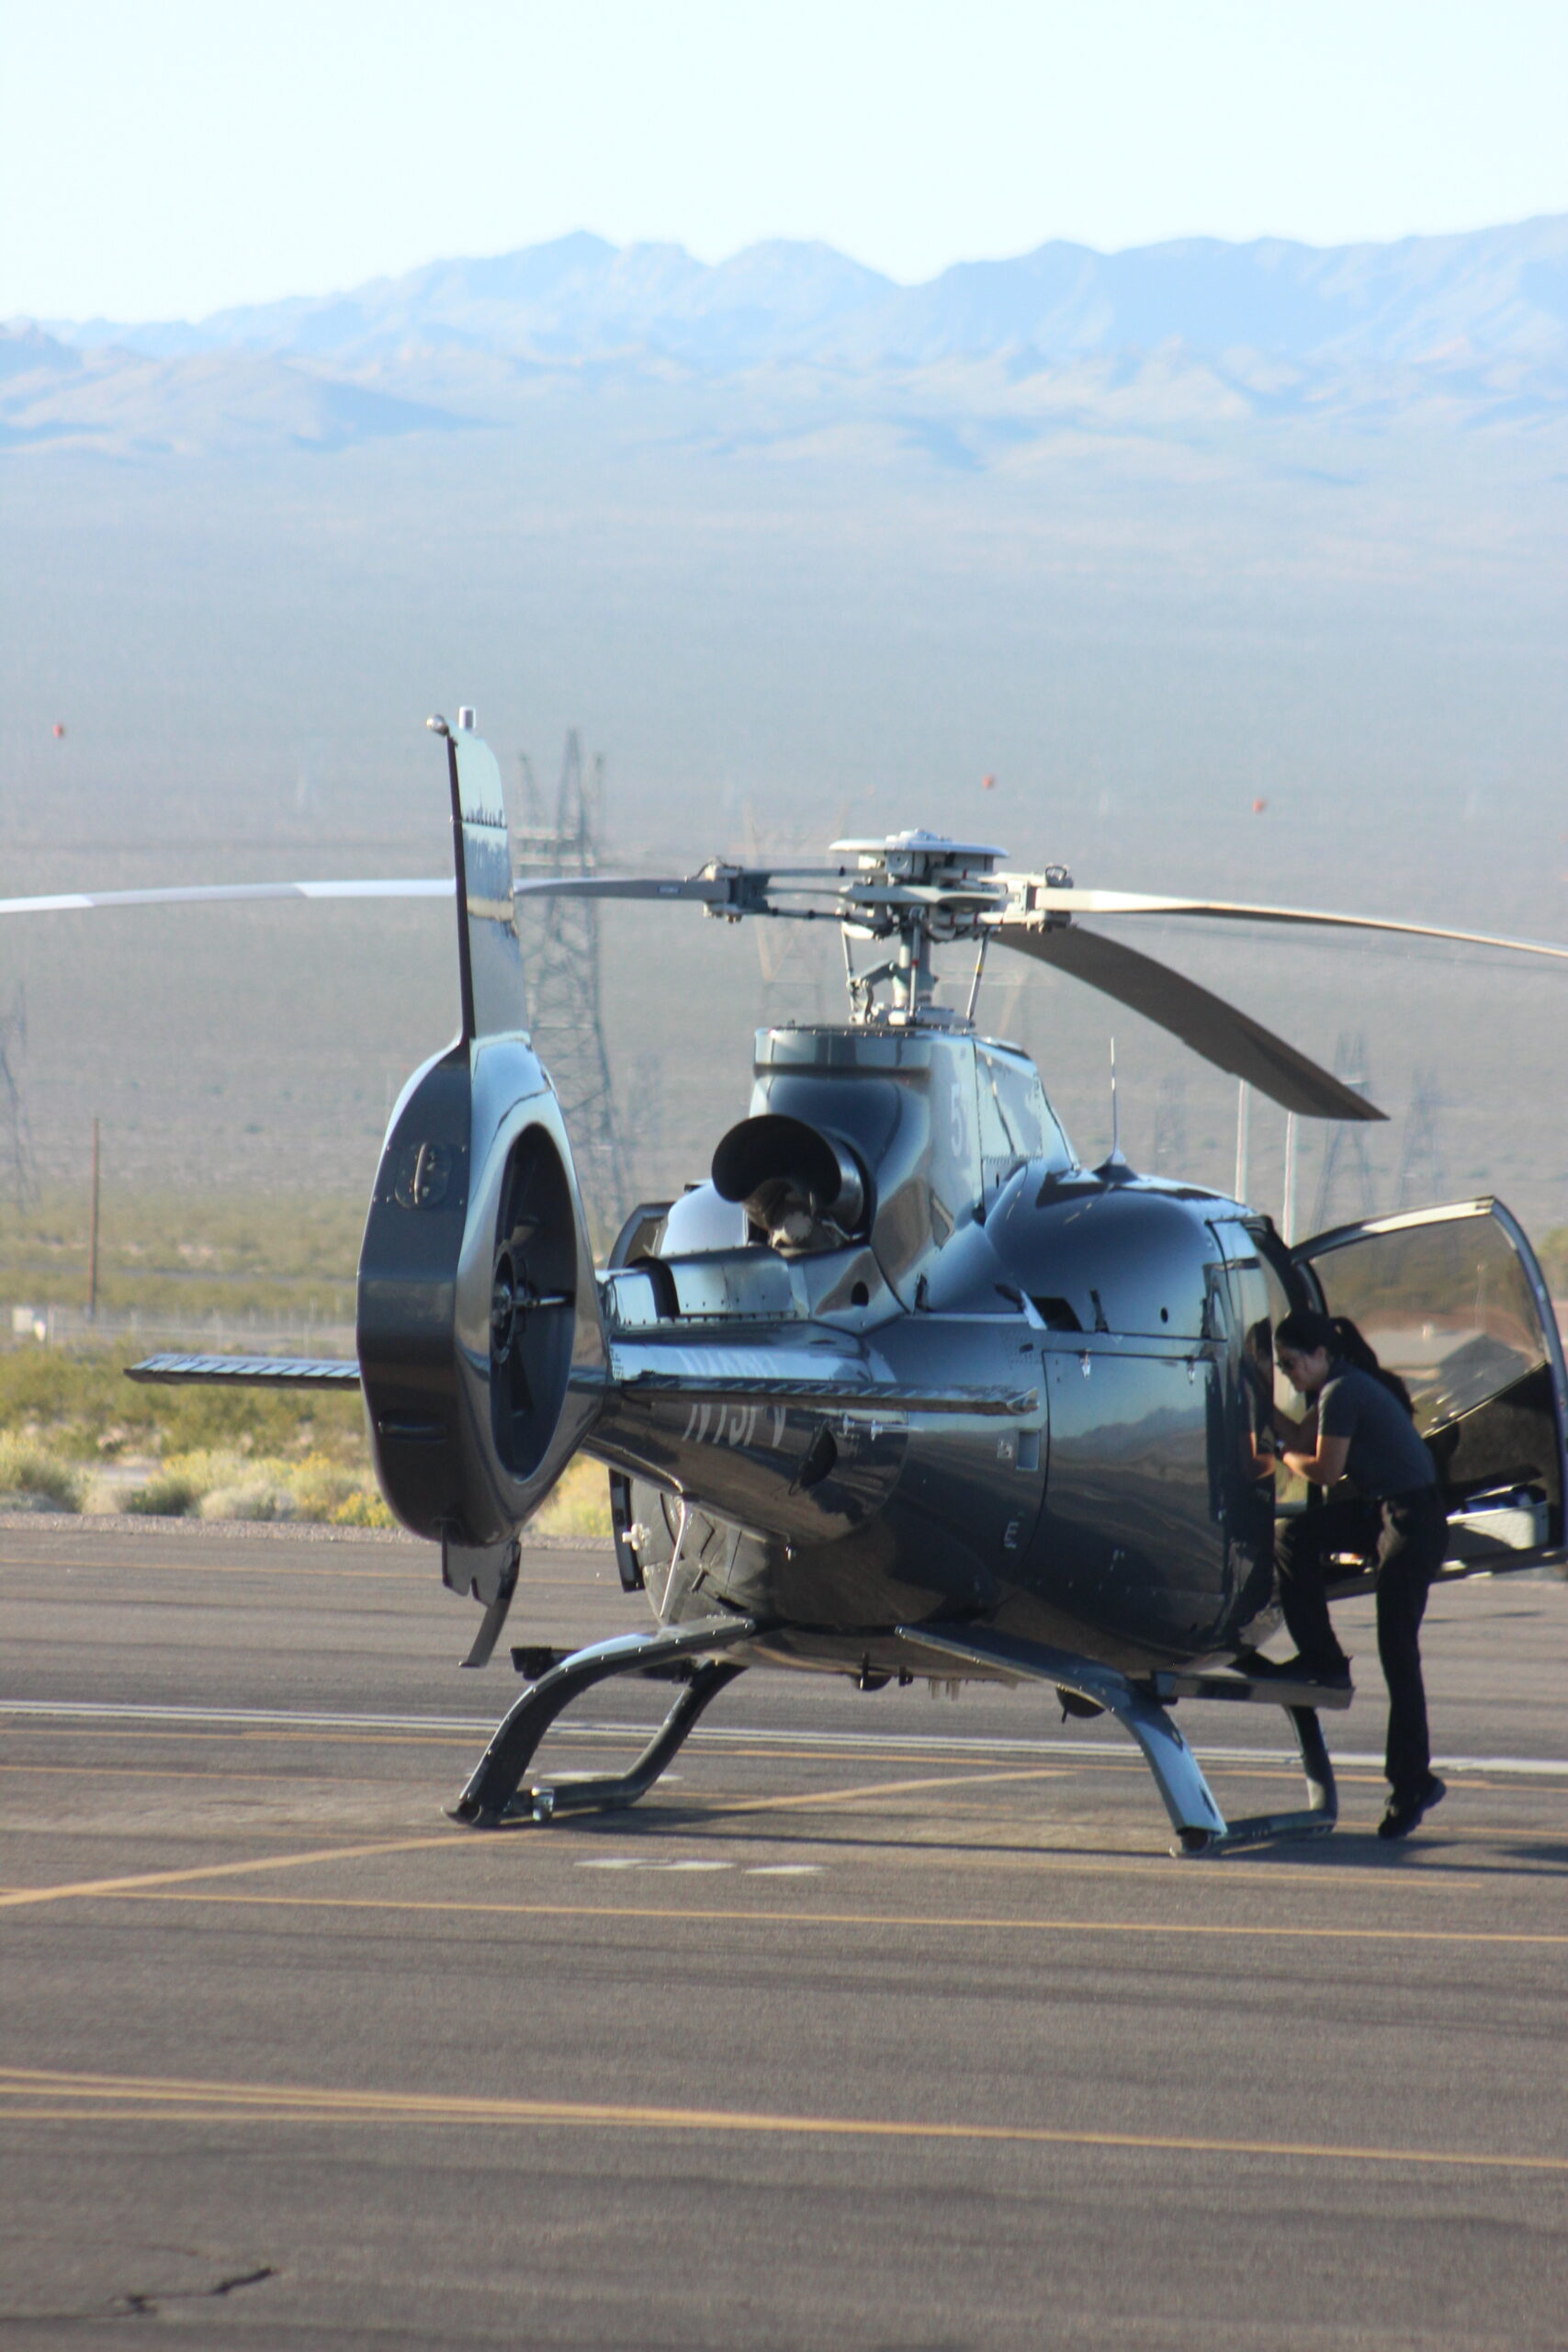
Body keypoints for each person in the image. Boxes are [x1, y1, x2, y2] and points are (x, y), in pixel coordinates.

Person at [1263, 1306, 1450, 1841]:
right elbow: (1300, 1435)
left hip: (1412, 1521)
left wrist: (1278, 1452)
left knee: (1397, 1649)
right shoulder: (1336, 1387)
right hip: (1383, 1513)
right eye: (1281, 1366)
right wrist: (1254, 1396)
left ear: (1321, 1355)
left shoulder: (1343, 1392)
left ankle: (1413, 1781)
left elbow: (1323, 1469)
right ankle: (1321, 1658)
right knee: (1293, 1537)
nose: (1288, 1375)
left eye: (1291, 1364)